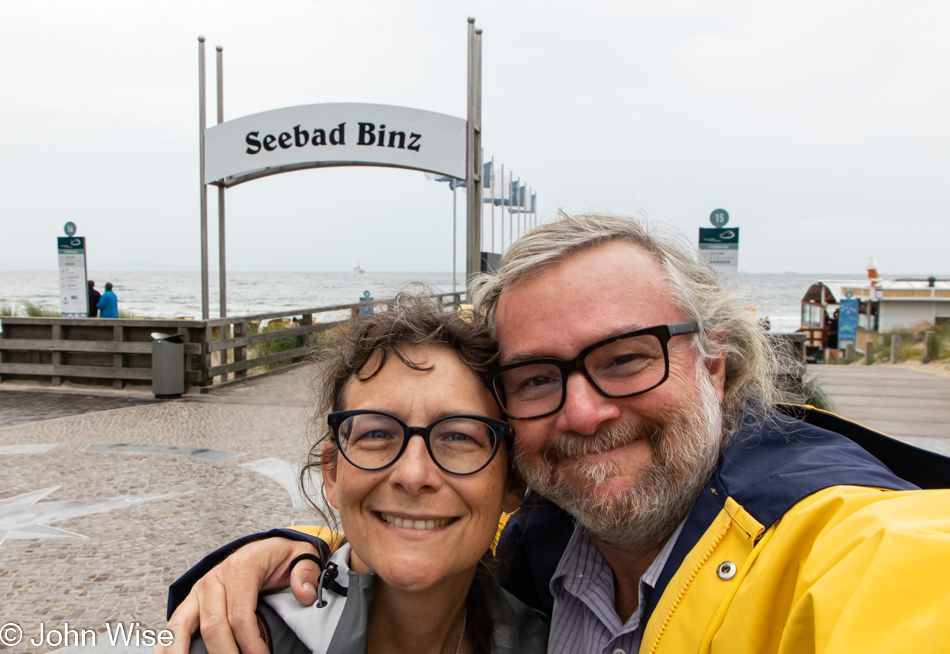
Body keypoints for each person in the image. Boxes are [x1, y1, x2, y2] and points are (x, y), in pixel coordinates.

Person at [163, 213, 950, 654]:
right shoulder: (542, 546)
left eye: (627, 358)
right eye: (539, 378)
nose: (582, 412)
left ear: (714, 366)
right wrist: (302, 550)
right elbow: (431, 516)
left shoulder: (840, 543)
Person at [187, 295, 547, 654]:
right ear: (332, 473)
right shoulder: (238, 640)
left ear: (513, 482)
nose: (413, 473)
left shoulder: (545, 640)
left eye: (458, 436)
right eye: (376, 434)